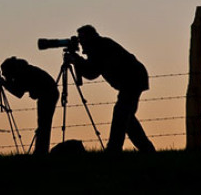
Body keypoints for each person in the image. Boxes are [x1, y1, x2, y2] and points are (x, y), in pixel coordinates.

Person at [66, 25, 155, 153]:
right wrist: (77, 60)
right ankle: (146, 149)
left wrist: (76, 60)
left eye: (81, 39)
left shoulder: (99, 46)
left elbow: (92, 72)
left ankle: (114, 149)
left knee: (121, 113)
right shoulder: (99, 45)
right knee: (126, 117)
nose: (80, 43)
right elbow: (91, 72)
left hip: (132, 78)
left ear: (88, 38)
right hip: (132, 78)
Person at [0, 56, 59, 154]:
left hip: (47, 95)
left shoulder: (21, 73)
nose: (5, 75)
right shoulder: (24, 70)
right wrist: (7, 82)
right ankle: (41, 150)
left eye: (5, 72)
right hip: (47, 94)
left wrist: (5, 83)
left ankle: (41, 151)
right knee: (43, 124)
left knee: (43, 125)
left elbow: (18, 92)